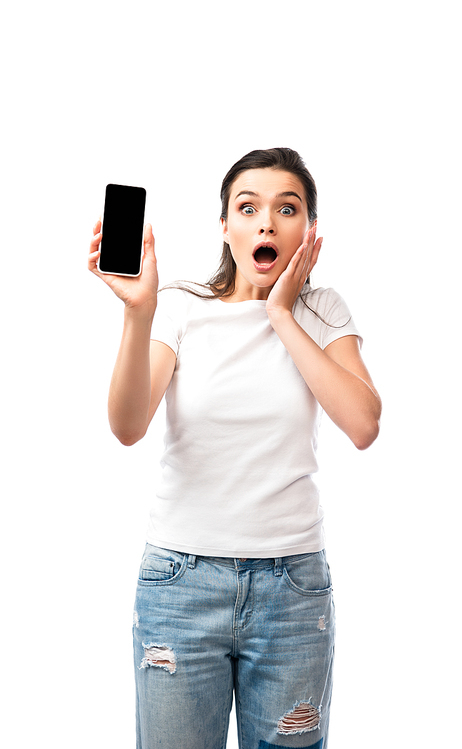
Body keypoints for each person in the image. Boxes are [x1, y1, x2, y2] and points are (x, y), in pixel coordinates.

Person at [88, 147, 381, 749]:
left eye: (286, 208)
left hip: (292, 594)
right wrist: (138, 313)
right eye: (248, 208)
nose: (267, 223)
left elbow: (363, 424)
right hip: (180, 584)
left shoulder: (322, 311)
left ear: (309, 227)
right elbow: (126, 425)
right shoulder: (182, 306)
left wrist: (280, 314)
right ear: (225, 226)